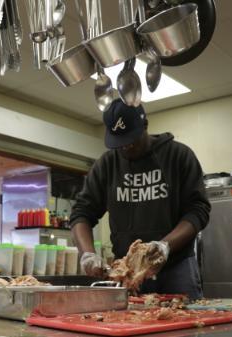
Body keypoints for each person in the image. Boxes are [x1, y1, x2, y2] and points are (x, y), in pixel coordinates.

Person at [70, 99, 211, 299]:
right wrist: (87, 254)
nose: (125, 147)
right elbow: (81, 214)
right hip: (128, 270)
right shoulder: (107, 165)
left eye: (131, 140)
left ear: (145, 125)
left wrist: (165, 246)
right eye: (119, 143)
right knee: (131, 323)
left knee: (186, 324)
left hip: (176, 267)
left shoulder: (178, 156)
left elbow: (198, 211)